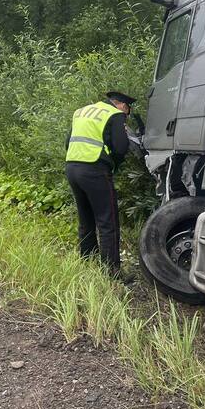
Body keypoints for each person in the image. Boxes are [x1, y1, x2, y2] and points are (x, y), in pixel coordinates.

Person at [65, 91, 135, 276]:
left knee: (86, 219)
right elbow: (121, 148)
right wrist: (113, 164)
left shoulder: (81, 111)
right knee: (107, 222)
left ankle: (88, 261)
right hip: (95, 170)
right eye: (128, 111)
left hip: (72, 167)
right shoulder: (115, 114)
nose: (126, 115)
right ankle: (111, 272)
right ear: (123, 105)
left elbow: (67, 142)